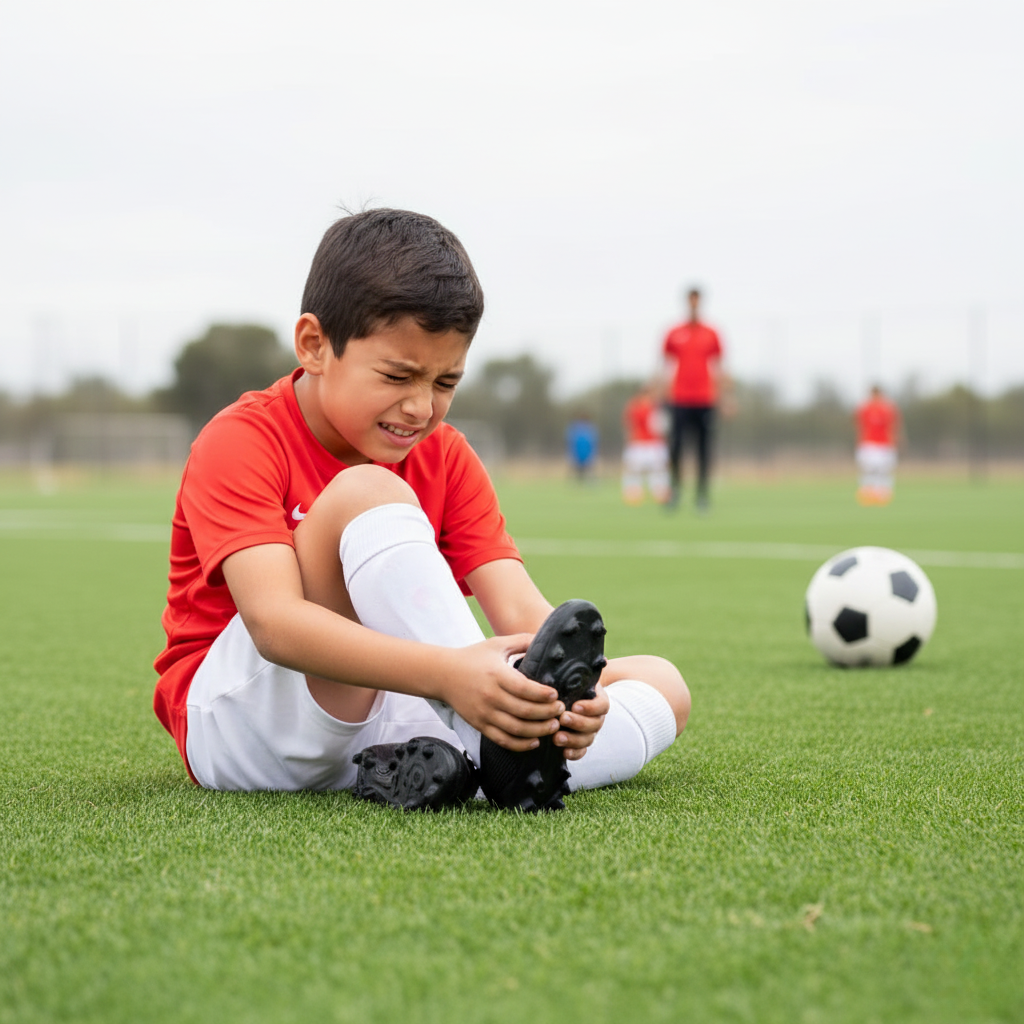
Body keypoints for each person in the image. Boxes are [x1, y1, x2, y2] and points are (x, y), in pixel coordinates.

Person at [153, 209, 690, 813]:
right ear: (314, 346)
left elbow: (519, 611)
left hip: (392, 703)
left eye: (444, 382)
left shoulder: (447, 456)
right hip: (240, 724)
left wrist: (570, 695)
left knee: (662, 683)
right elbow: (275, 625)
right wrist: (451, 676)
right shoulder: (243, 438)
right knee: (365, 490)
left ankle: (473, 760)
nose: (420, 407)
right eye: (397, 375)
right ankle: (494, 746)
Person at [661, 287, 727, 511]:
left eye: (697, 301)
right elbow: (665, 365)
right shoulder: (674, 332)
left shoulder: (711, 333)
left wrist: (725, 397)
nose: (694, 304)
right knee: (676, 448)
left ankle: (702, 495)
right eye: (691, 301)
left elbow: (719, 366)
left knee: (703, 450)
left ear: (701, 302)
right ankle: (675, 492)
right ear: (686, 302)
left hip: (705, 399)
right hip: (679, 398)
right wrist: (660, 392)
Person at [621, 382, 670, 505]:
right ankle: (633, 495)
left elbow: (662, 427)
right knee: (634, 470)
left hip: (655, 444)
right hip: (638, 443)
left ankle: (661, 495)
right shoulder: (634, 406)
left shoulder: (657, 406)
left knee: (659, 470)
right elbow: (629, 425)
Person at [855, 384, 901, 505]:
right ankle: (867, 494)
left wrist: (894, 442)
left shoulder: (888, 409)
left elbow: (893, 426)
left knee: (883, 470)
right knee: (869, 469)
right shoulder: (864, 408)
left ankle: (883, 494)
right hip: (869, 443)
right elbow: (860, 426)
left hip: (884, 444)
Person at [565, 413, 599, 481]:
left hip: (585, 454)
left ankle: (587, 481)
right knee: (578, 471)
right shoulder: (575, 429)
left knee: (587, 471)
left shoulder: (590, 429)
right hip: (578, 454)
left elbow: (593, 444)